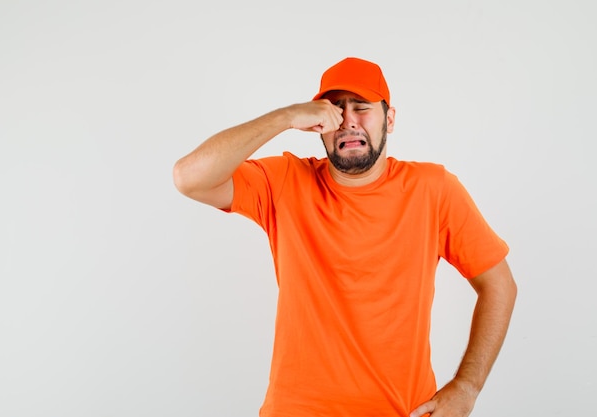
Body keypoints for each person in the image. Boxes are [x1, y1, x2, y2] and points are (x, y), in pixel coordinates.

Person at [173, 57, 517, 417]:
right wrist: (284, 117)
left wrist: (467, 387)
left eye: (362, 108)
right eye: (335, 109)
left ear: (391, 119)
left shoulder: (434, 190)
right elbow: (189, 177)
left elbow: (499, 285)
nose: (348, 120)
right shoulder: (286, 181)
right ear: (317, 122)